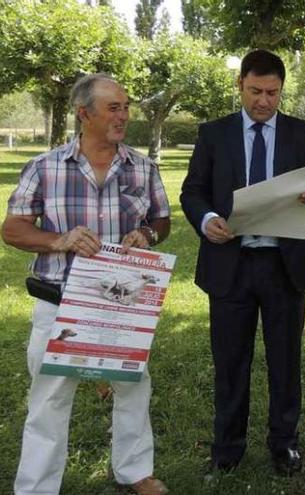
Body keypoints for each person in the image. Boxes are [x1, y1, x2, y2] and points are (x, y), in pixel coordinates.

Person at [2, 74, 171, 495]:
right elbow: (13, 229)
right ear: (84, 114)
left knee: (132, 387)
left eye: (127, 107)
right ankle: (37, 487)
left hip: (122, 302)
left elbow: (162, 220)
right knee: (49, 399)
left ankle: (134, 472)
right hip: (59, 304)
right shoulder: (45, 167)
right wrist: (58, 240)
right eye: (114, 108)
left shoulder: (143, 167)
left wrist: (146, 235)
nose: (124, 116)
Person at [179, 49, 305, 476]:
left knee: (285, 361)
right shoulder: (214, 134)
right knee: (230, 361)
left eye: (272, 93)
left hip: (284, 266)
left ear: (282, 90)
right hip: (229, 265)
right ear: (241, 86)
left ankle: (284, 443)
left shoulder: (302, 132)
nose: (264, 101)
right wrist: (207, 218)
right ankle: (227, 446)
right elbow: (192, 191)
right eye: (256, 91)